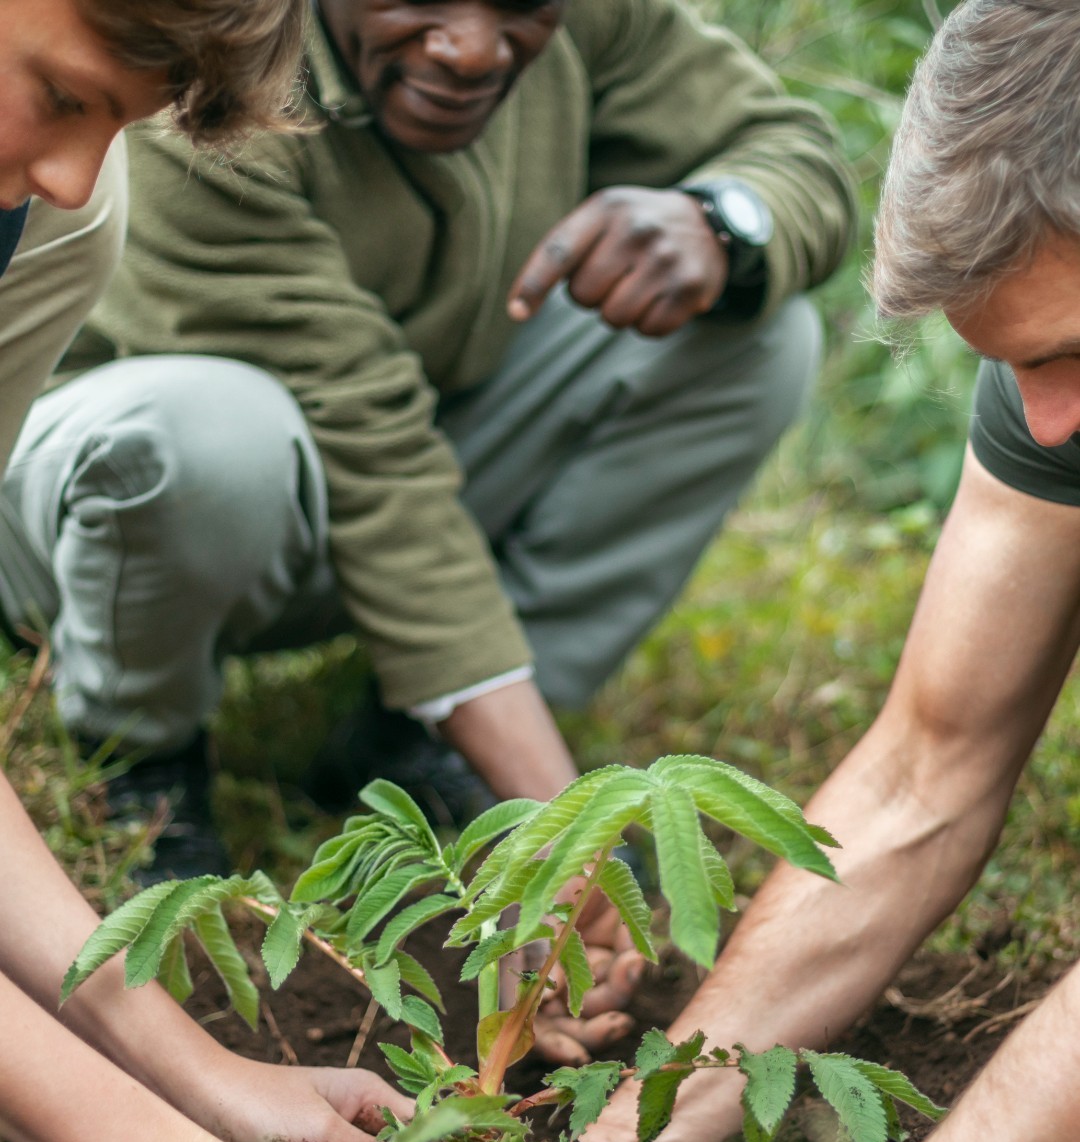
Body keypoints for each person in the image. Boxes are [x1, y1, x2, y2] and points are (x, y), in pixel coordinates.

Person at [2, 0, 855, 898]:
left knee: (755, 329)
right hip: (105, 523)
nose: (472, 49)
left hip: (379, 463)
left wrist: (721, 222)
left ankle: (427, 735)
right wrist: (566, 821)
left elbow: (793, 149)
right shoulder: (208, 84)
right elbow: (372, 453)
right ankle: (140, 754)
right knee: (193, 437)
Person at [0, 0, 522, 1142]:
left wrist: (199, 1074)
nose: (76, 174)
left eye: (117, 124)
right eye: (60, 95)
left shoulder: (53, 219)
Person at [569, 0, 1080, 1142]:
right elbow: (926, 772)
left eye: (1069, 352)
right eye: (1015, 364)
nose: (1051, 421)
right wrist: (646, 1128)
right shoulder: (1056, 392)